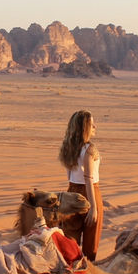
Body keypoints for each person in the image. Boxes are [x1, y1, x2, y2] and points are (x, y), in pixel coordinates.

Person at [58, 110, 102, 261]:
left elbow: (69, 174)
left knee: (70, 239)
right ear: (85, 128)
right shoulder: (90, 149)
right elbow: (88, 178)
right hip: (90, 193)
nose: (95, 126)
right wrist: (94, 207)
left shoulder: (69, 147)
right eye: (91, 124)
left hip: (72, 191)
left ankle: (69, 273)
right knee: (91, 243)